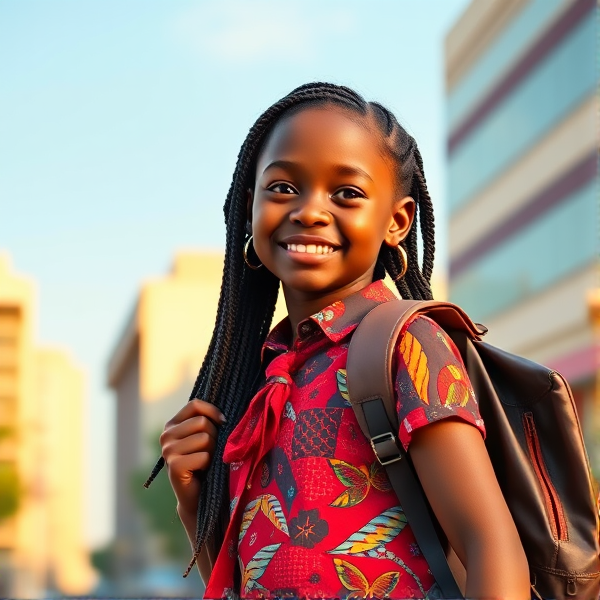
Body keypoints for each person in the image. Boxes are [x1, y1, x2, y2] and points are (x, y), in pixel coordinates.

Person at [154, 83, 529, 599]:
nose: (309, 210)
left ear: (396, 222)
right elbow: (247, 580)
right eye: (283, 187)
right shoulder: (258, 379)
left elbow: (489, 542)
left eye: (347, 193)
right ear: (249, 207)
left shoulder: (406, 344)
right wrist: (193, 499)